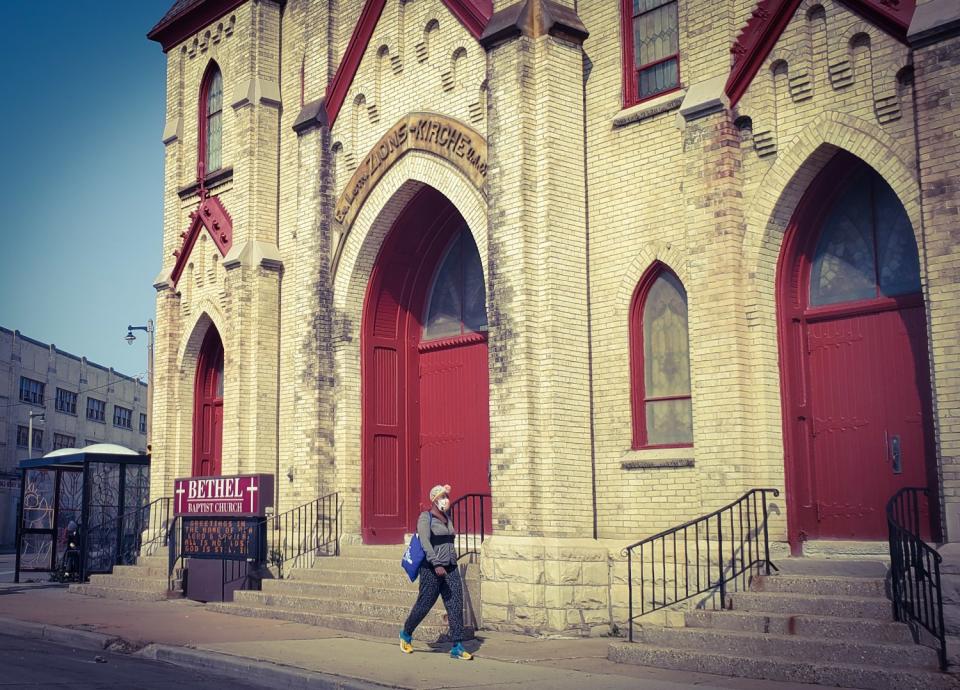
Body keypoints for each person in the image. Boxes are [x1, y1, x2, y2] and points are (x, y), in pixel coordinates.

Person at [399, 484, 473, 660]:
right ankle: (406, 633)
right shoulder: (426, 518)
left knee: (455, 604)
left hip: (451, 566)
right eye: (442, 497)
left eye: (447, 496)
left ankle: (457, 645)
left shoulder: (447, 518)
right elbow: (425, 542)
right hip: (432, 568)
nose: (446, 500)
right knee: (424, 603)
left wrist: (451, 560)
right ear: (434, 500)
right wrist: (436, 563)